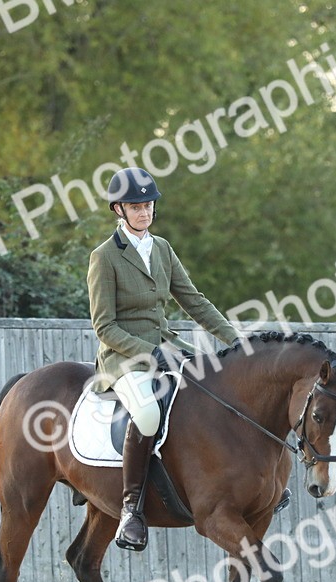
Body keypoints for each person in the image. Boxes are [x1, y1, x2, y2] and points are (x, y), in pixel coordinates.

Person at [87, 167, 239, 552]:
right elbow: (104, 326)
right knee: (149, 414)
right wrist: (148, 352)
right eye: (136, 206)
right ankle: (130, 510)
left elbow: (195, 301)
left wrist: (236, 341)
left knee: (219, 387)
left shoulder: (162, 249)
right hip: (123, 357)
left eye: (148, 204)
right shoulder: (104, 257)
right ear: (119, 209)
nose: (144, 212)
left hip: (167, 346)